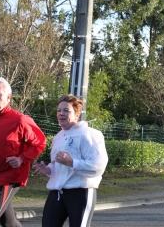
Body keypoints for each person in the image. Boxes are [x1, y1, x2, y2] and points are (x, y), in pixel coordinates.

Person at [0, 77, 46, 227]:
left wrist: (22, 158)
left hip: (10, 177)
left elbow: (39, 142)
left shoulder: (20, 120)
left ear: (8, 97)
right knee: (9, 222)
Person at [33, 94, 108, 227]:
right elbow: (59, 166)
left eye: (66, 110)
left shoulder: (90, 134)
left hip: (80, 191)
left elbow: (98, 166)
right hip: (58, 192)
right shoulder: (58, 137)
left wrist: (72, 162)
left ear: (77, 115)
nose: (61, 113)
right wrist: (48, 169)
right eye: (59, 110)